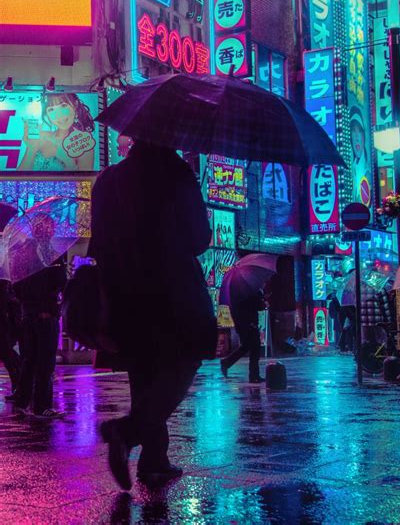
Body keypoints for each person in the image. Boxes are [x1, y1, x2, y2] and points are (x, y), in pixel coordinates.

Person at [89, 141, 214, 490]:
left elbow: (97, 242)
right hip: (172, 290)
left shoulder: (108, 179)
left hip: (122, 292)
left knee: (143, 373)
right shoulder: (176, 173)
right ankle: (126, 432)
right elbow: (199, 239)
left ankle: (154, 459)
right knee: (183, 362)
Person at [13, 263, 67, 417]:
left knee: (29, 360)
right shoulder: (52, 261)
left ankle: (22, 402)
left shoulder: (25, 262)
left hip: (28, 315)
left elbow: (16, 289)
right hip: (46, 315)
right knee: (46, 362)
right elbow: (61, 282)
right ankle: (42, 406)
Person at [19, 93, 95, 172]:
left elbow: (85, 182)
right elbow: (18, 178)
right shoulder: (41, 137)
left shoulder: (83, 143)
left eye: (63, 105)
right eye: (51, 109)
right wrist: (31, 149)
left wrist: (68, 163)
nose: (59, 115)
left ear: (75, 105)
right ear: (47, 114)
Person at [220, 288, 267, 383]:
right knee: (254, 348)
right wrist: (263, 300)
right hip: (249, 323)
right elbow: (257, 305)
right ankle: (253, 375)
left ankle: (228, 363)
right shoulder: (250, 291)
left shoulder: (238, 291)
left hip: (243, 323)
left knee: (247, 346)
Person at [0, 279, 21, 398]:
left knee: (9, 358)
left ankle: (19, 388)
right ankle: (18, 388)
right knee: (10, 358)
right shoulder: (7, 283)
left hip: (5, 326)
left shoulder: (3, 284)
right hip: (7, 326)